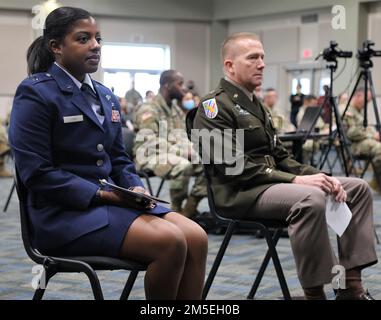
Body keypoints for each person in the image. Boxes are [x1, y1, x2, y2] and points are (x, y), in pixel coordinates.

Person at [9, 7, 207, 300]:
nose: (95, 45)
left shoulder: (105, 95)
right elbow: (36, 173)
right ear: (56, 47)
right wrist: (102, 195)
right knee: (170, 241)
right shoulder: (36, 93)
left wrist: (133, 185)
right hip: (62, 215)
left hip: (112, 205)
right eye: (83, 38)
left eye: (97, 38)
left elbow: (119, 158)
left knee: (197, 237)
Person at [193, 32, 377, 300]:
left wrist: (321, 176)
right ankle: (315, 295)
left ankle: (351, 288)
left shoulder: (257, 105)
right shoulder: (212, 107)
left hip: (270, 185)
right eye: (253, 58)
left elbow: (282, 158)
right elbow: (232, 168)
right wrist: (296, 181)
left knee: (357, 188)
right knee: (309, 197)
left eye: (263, 57)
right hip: (239, 193)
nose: (262, 64)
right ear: (230, 65)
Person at [134, 70, 207, 218]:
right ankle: (176, 210)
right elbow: (151, 141)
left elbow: (182, 135)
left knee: (207, 162)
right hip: (149, 156)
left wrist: (195, 149)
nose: (184, 88)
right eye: (179, 84)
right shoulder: (149, 109)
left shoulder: (174, 109)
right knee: (183, 166)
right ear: (167, 85)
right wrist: (183, 152)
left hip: (171, 152)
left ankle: (189, 209)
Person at [343, 88, 381, 194]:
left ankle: (377, 180)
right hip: (354, 145)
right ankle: (378, 181)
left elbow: (365, 128)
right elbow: (351, 133)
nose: (366, 104)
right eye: (366, 101)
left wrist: (374, 134)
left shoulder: (358, 111)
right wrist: (372, 135)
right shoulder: (347, 110)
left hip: (364, 141)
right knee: (380, 149)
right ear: (358, 96)